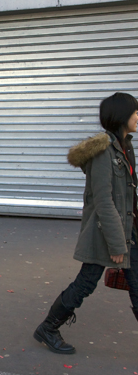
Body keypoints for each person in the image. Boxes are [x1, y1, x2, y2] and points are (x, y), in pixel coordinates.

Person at [33, 92, 138, 355]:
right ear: (122, 116)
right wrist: (117, 244)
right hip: (107, 233)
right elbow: (104, 201)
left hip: (128, 231)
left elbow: (128, 194)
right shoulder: (104, 153)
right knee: (85, 283)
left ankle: (47, 327)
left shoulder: (126, 146)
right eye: (135, 112)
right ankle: (48, 327)